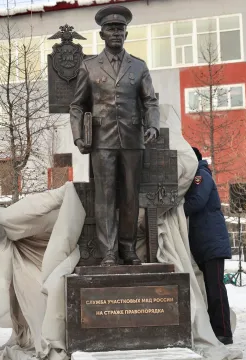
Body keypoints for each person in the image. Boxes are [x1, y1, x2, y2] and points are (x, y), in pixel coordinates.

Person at [69, 4, 159, 266]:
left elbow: (150, 101)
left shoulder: (139, 67)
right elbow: (77, 105)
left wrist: (151, 125)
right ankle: (108, 251)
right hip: (102, 141)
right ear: (102, 35)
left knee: (130, 196)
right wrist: (78, 137)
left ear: (126, 34)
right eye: (111, 29)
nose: (116, 33)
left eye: (120, 29)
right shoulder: (89, 67)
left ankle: (128, 248)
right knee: (105, 197)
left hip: (133, 140)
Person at [184, 147, 233, 345]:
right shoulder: (198, 176)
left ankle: (223, 332)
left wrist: (176, 207)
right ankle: (217, 330)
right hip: (206, 243)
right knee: (211, 289)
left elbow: (197, 201)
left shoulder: (200, 175)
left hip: (212, 242)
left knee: (215, 289)